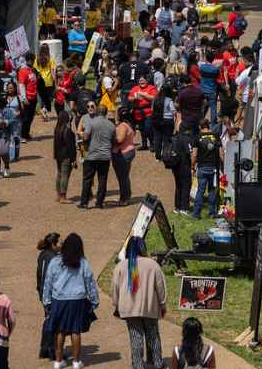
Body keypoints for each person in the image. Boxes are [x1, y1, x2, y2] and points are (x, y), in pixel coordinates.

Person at [43, 233, 99, 369]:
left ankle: (58, 361)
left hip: (59, 300)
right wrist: (94, 300)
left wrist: (46, 300)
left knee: (59, 330)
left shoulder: (55, 262)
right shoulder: (83, 262)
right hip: (77, 301)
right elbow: (90, 282)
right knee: (75, 331)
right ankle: (76, 362)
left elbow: (48, 282)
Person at [112, 236, 167, 369]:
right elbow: (161, 288)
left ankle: (138, 365)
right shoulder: (153, 265)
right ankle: (156, 362)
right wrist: (163, 304)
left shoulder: (120, 266)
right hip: (150, 307)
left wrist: (116, 305)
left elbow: (115, 289)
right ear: (143, 248)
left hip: (129, 309)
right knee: (153, 335)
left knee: (135, 337)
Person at [79, 105, 116, 209]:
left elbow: (86, 138)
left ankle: (84, 202)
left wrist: (81, 134)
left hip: (92, 155)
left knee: (87, 179)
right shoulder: (111, 125)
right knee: (102, 180)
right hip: (105, 156)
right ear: (106, 112)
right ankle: (99, 202)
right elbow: (114, 141)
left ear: (97, 112)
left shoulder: (92, 123)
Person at [37, 233, 61, 360]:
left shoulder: (42, 255)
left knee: (48, 319)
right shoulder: (54, 258)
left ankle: (44, 348)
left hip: (42, 291)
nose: (60, 245)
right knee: (54, 321)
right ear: (53, 244)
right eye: (59, 243)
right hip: (51, 293)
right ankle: (52, 350)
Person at [190, 119, 221, 220]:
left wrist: (192, 166)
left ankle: (196, 213)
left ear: (200, 126)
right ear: (208, 125)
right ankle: (212, 213)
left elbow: (194, 155)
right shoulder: (216, 136)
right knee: (212, 190)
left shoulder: (197, 137)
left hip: (202, 167)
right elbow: (221, 154)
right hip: (213, 168)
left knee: (200, 191)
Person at [112, 107, 136, 206]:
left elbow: (119, 140)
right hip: (128, 151)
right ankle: (126, 195)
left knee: (122, 177)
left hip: (122, 153)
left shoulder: (123, 126)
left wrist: (110, 141)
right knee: (124, 176)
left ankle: (124, 198)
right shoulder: (129, 124)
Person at [128, 75, 157, 150]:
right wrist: (135, 98)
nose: (142, 82)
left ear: (147, 81)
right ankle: (144, 144)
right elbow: (129, 98)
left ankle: (152, 143)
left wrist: (144, 95)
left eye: (143, 80)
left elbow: (154, 98)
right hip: (138, 112)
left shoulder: (151, 87)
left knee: (148, 128)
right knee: (142, 129)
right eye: (140, 81)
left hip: (148, 111)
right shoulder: (135, 88)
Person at [18, 52, 39, 142]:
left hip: (34, 97)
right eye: (32, 60)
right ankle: (22, 135)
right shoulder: (23, 71)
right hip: (27, 98)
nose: (33, 62)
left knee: (31, 117)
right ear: (28, 60)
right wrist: (23, 98)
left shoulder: (33, 70)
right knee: (25, 118)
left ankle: (26, 133)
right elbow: (21, 85)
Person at [151, 84, 176, 161]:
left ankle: (157, 156)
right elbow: (173, 111)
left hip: (156, 121)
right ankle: (166, 155)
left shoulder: (155, 99)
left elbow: (152, 109)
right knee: (167, 139)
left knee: (157, 138)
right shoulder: (169, 100)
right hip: (167, 121)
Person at [34, 44, 57, 121]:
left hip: (40, 82)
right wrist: (55, 82)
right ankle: (44, 110)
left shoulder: (37, 60)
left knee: (42, 98)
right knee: (48, 99)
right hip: (49, 82)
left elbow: (35, 70)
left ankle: (44, 112)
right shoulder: (51, 60)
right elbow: (53, 72)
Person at [3, 81, 23, 162]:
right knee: (9, 138)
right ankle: (11, 156)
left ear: (15, 88)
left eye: (11, 88)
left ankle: (16, 155)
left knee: (16, 138)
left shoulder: (19, 98)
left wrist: (16, 114)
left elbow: (22, 109)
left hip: (16, 121)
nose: (9, 89)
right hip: (7, 121)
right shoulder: (4, 98)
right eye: (8, 88)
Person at [199, 51, 220, 123]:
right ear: (213, 59)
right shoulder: (215, 69)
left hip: (203, 90)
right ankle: (213, 123)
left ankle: (201, 121)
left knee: (203, 107)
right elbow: (217, 77)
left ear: (206, 58)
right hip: (212, 90)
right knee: (213, 108)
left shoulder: (201, 67)